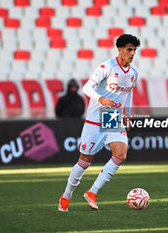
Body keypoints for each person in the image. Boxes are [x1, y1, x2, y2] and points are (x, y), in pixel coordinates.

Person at [58, 34, 140, 211]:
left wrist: (127, 114)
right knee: (85, 162)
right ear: (120, 50)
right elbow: (87, 87)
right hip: (96, 117)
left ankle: (92, 192)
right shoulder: (107, 66)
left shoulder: (133, 72)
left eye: (134, 50)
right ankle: (66, 195)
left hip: (112, 118)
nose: (132, 53)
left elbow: (129, 93)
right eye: (129, 49)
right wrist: (101, 99)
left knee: (121, 154)